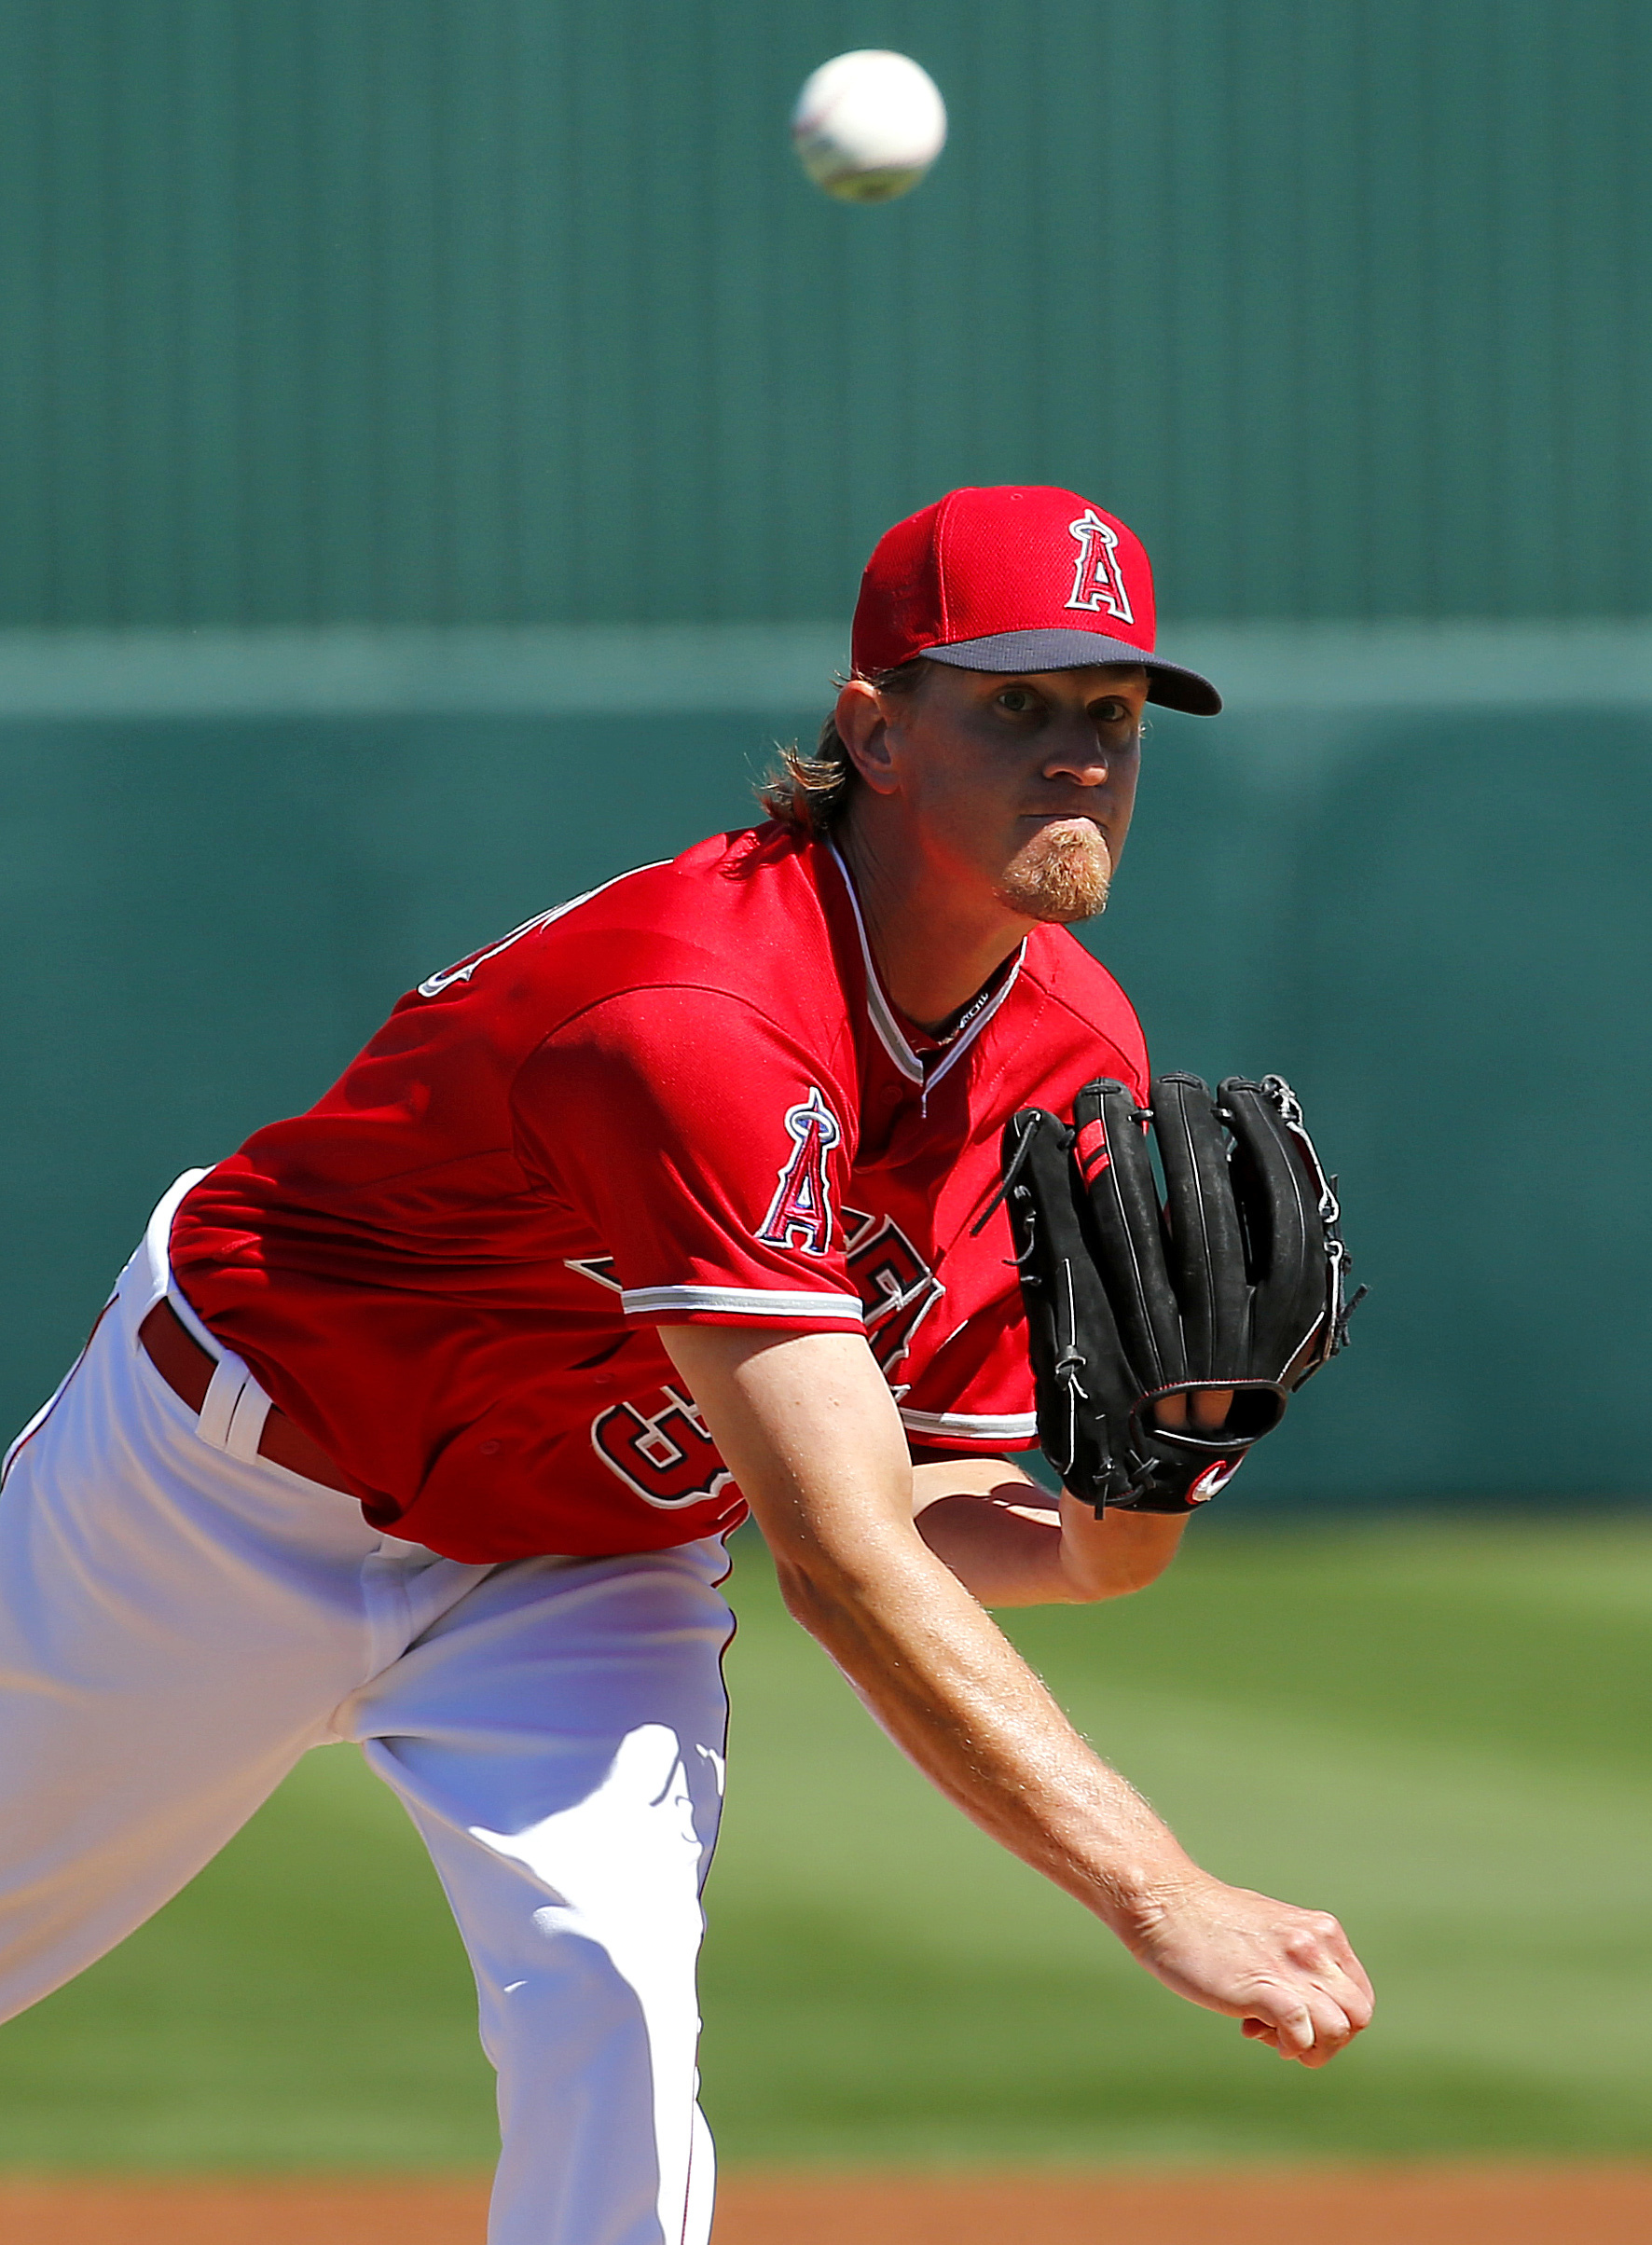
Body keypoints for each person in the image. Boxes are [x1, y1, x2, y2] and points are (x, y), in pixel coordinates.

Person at [0, 485, 1371, 2245]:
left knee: (615, 2000)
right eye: (1014, 704)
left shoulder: (1068, 1057)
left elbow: (919, 1494)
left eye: (1110, 715)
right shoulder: (697, 1015)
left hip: (580, 1551)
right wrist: (1155, 1888)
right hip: (230, 1485)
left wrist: (1125, 1521)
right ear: (874, 731)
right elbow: (841, 1561)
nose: (1078, 759)